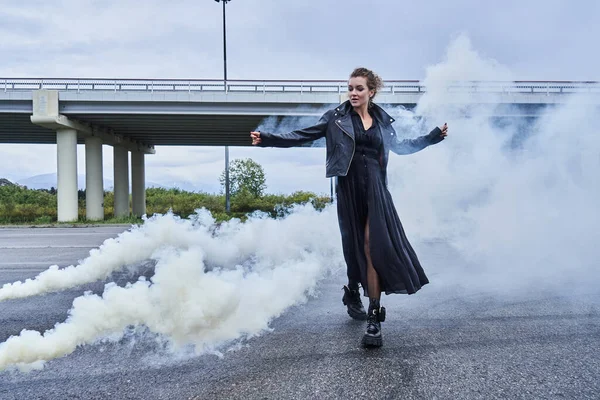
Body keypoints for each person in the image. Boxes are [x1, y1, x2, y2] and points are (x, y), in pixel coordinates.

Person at [251, 67, 448, 347]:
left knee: (372, 246)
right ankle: (352, 290)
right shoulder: (335, 118)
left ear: (371, 92)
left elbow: (402, 147)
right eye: (350, 88)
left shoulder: (382, 122)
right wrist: (269, 139)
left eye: (359, 89)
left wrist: (432, 137)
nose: (353, 93)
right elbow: (303, 135)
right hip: (348, 189)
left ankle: (373, 318)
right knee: (353, 248)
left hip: (377, 192)